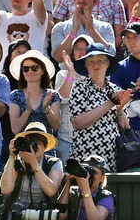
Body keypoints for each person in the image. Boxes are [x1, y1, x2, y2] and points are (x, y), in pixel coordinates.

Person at [70, 43, 131, 171]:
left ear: (108, 64)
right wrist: (110, 103)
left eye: (100, 60)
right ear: (86, 66)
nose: (95, 64)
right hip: (84, 157)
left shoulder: (116, 89)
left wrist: (119, 110)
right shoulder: (79, 88)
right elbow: (78, 122)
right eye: (91, 61)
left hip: (111, 158)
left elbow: (125, 127)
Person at [0, 122, 64, 220]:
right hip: (15, 217)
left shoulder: (53, 163)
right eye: (30, 142)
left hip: (42, 218)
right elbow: (5, 190)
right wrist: (12, 157)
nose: (32, 146)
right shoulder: (17, 161)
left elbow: (51, 190)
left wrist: (34, 164)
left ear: (45, 147)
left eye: (37, 142)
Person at [51, 0, 117, 64]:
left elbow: (111, 54)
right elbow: (58, 58)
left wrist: (91, 29)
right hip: (68, 74)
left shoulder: (106, 27)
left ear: (96, 2)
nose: (82, 0)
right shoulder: (60, 28)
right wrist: (74, 30)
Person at [55, 35, 92, 163]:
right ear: (73, 53)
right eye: (77, 48)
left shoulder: (99, 75)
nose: (81, 52)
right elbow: (61, 99)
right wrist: (71, 73)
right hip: (67, 139)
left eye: (85, 48)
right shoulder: (63, 74)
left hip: (92, 140)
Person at [8, 50, 61, 135]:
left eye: (34, 68)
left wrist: (47, 109)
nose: (30, 72)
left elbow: (55, 127)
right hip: (23, 146)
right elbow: (15, 129)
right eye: (25, 69)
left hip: (46, 145)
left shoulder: (52, 95)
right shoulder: (15, 96)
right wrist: (27, 111)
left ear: (43, 70)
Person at [57, 154, 116, 220]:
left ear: (102, 178)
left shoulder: (106, 197)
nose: (90, 176)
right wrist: (68, 183)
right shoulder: (73, 192)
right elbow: (59, 216)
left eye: (95, 173)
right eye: (88, 172)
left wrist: (85, 191)